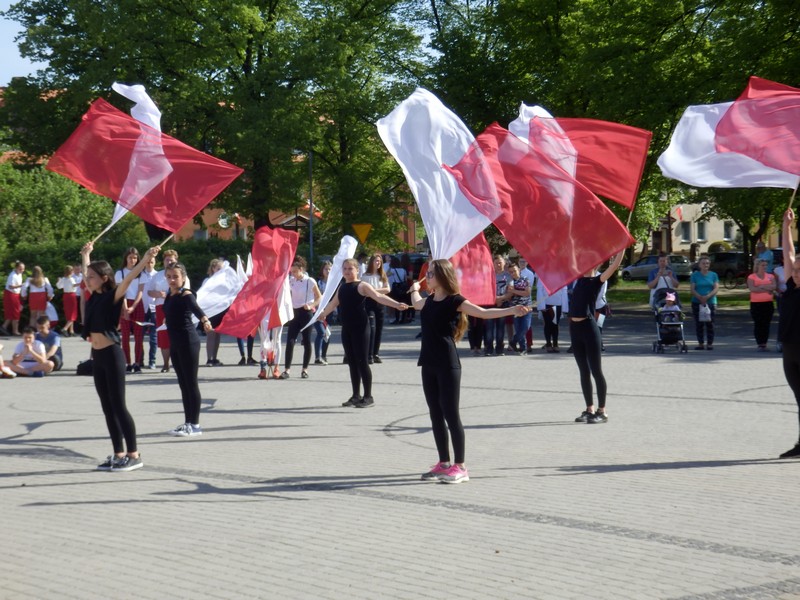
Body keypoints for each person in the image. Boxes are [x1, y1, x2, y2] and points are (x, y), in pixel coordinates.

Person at [408, 259, 531, 484]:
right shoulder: (429, 301)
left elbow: (482, 313)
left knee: (451, 414)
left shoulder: (455, 300)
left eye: (432, 273)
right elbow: (416, 304)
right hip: (428, 363)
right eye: (428, 273)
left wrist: (512, 309)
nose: (428, 277)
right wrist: (415, 289)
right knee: (435, 414)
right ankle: (444, 463)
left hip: (448, 364)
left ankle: (461, 467)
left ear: (442, 276)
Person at [80, 241, 159, 472]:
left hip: (113, 355)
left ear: (104, 278)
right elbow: (85, 273)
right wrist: (86, 254)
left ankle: (134, 455)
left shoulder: (113, 296)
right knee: (107, 407)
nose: (88, 279)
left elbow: (129, 278)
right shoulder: (93, 295)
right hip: (98, 357)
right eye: (88, 277)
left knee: (119, 405)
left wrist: (145, 259)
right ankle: (118, 454)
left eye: (92, 277)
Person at [317, 258, 408, 407]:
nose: (347, 271)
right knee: (352, 362)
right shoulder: (342, 287)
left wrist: (396, 304)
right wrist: (322, 314)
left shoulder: (362, 286)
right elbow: (333, 304)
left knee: (362, 362)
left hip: (361, 328)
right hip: (347, 329)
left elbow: (379, 297)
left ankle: (368, 396)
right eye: (345, 269)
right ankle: (355, 395)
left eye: (350, 269)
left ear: (357, 270)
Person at [570, 253, 625, 424]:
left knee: (596, 371)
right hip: (575, 329)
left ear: (594, 265)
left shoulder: (597, 281)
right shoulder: (578, 279)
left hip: (589, 328)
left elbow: (614, 266)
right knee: (583, 371)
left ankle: (602, 411)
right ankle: (589, 409)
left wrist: (622, 248)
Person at [163, 262, 214, 437]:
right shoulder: (170, 295)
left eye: (175, 277)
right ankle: (187, 423)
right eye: (169, 276)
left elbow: (196, 308)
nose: (172, 280)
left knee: (191, 384)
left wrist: (205, 320)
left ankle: (195, 425)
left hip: (188, 342)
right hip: (175, 343)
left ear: (183, 278)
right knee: (183, 384)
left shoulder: (186, 294)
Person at [777, 209, 800, 458]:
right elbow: (788, 253)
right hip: (789, 349)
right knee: (799, 398)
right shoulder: (791, 286)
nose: (795, 272)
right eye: (795, 269)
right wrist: (786, 226)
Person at [281, 256, 322, 379]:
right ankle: (287, 370)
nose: (293, 274)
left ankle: (305, 369)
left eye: (295, 271)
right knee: (290, 341)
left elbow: (319, 297)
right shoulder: (291, 281)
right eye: (291, 272)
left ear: (301, 269)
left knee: (307, 341)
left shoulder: (310, 281)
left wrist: (311, 305)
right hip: (294, 313)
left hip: (306, 313)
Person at [149, 249, 183, 372]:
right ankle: (166, 364)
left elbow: (186, 290)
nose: (169, 262)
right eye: (167, 260)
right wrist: (158, 294)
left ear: (176, 261)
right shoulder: (157, 275)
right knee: (163, 336)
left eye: (171, 260)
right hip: (161, 307)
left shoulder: (181, 275)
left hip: (176, 307)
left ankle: (178, 362)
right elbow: (149, 291)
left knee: (177, 335)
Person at [115, 247, 146, 373]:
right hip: (124, 304)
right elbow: (121, 292)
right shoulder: (120, 273)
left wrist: (133, 306)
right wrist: (126, 308)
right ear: (126, 258)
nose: (132, 260)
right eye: (130, 257)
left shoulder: (141, 273)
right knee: (125, 336)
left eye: (135, 258)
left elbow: (140, 291)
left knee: (138, 336)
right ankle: (127, 363)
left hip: (137, 304)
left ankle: (137, 363)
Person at [362, 254, 391, 363]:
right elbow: (365, 292)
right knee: (372, 328)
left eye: (379, 261)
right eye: (376, 261)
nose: (378, 263)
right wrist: (373, 291)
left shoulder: (382, 275)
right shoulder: (365, 276)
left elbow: (387, 289)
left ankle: (376, 354)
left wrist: (373, 291)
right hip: (369, 304)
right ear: (372, 262)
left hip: (380, 303)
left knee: (379, 329)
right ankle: (369, 354)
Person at [690, 256, 719, 350]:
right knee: (699, 324)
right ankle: (700, 343)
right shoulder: (695, 275)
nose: (705, 265)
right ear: (699, 265)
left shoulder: (713, 275)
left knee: (710, 323)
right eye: (703, 263)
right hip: (697, 302)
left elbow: (716, 288)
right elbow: (692, 289)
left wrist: (707, 297)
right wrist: (700, 297)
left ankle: (710, 343)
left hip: (710, 302)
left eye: (707, 263)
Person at [747, 258, 776, 351]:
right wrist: (767, 288)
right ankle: (760, 343)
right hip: (756, 304)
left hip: (768, 303)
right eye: (763, 265)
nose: (765, 267)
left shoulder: (770, 276)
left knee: (766, 323)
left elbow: (774, 286)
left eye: (766, 265)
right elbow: (752, 289)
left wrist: (762, 286)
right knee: (758, 323)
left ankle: (764, 343)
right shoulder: (752, 277)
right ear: (758, 266)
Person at [485, 254, 511, 356]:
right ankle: (488, 349)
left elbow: (510, 291)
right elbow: (485, 289)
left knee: (500, 328)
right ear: (493, 264)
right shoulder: (488, 275)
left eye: (500, 263)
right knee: (489, 328)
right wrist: (494, 299)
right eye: (496, 263)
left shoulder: (508, 276)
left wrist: (501, 299)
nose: (498, 265)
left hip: (503, 303)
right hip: (490, 303)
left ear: (504, 263)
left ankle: (499, 349)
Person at [506, 262, 533, 354]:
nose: (513, 273)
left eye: (514, 271)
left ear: (519, 270)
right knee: (518, 328)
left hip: (527, 307)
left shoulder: (525, 279)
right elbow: (509, 294)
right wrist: (515, 291)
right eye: (511, 272)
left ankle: (513, 341)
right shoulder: (510, 281)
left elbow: (527, 293)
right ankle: (523, 348)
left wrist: (514, 291)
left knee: (525, 327)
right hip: (515, 308)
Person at [139, 254, 159, 369]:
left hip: (154, 308)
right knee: (139, 336)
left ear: (155, 262)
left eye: (152, 262)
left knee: (153, 337)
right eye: (148, 262)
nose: (150, 264)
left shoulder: (158, 275)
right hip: (142, 307)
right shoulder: (140, 275)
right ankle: (140, 359)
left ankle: (152, 360)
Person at [537, 281, 568, 353]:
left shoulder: (561, 278)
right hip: (546, 303)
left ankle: (555, 343)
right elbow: (540, 290)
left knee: (555, 324)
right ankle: (548, 344)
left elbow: (564, 291)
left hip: (558, 303)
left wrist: (564, 307)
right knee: (548, 324)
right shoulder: (543, 277)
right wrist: (541, 305)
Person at [314, 261, 333, 365]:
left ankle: (323, 355)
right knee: (321, 332)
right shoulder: (318, 282)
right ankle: (318, 356)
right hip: (318, 310)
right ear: (322, 270)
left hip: (329, 310)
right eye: (326, 269)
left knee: (327, 333)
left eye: (330, 269)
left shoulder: (334, 283)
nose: (328, 271)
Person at [3, 261, 25, 336]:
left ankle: (4, 327)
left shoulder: (19, 274)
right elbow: (10, 286)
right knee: (15, 311)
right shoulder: (12, 275)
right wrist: (21, 285)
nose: (22, 270)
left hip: (16, 294)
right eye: (20, 269)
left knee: (13, 312)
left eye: (23, 269)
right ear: (16, 268)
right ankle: (15, 330)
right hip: (11, 294)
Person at [56, 265, 78, 337]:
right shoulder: (71, 279)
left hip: (65, 296)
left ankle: (71, 331)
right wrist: (80, 283)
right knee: (73, 312)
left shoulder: (63, 279)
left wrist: (58, 281)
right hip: (71, 295)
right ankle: (65, 328)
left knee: (69, 313)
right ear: (71, 271)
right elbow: (73, 285)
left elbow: (59, 286)